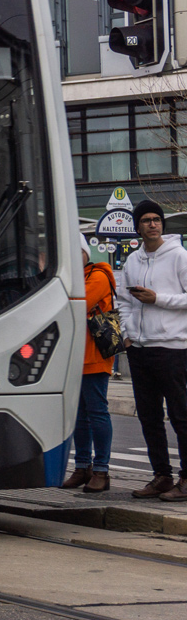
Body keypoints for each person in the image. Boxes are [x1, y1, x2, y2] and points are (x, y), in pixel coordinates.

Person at [118, 199, 187, 501]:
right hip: (140, 349)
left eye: (156, 219)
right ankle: (162, 476)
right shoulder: (132, 261)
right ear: (138, 227)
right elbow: (122, 301)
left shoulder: (179, 256)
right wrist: (128, 335)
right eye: (146, 220)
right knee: (149, 417)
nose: (152, 224)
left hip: (172, 347)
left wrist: (158, 298)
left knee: (181, 416)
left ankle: (186, 478)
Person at [63, 234, 116, 493]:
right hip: (72, 355)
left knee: (96, 412)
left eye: (79, 250)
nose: (75, 255)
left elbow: (76, 305)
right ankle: (82, 467)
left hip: (94, 354)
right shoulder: (69, 278)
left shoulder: (98, 276)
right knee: (79, 415)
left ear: (86, 252)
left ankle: (101, 470)